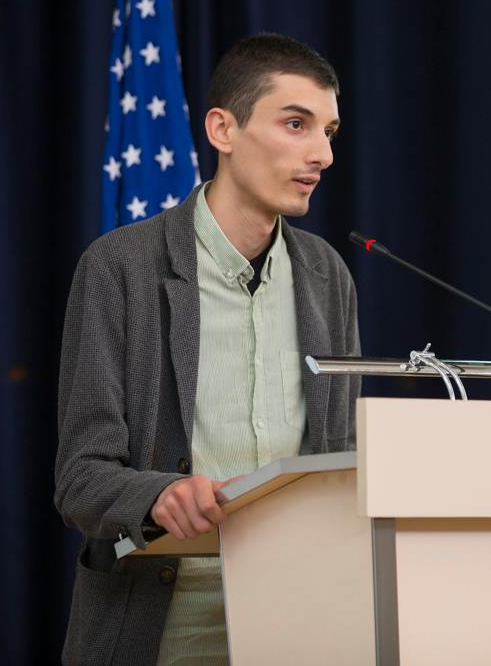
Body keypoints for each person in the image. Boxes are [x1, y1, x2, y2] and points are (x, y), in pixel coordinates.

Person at [54, 33, 361, 665]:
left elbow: (338, 461)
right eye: (296, 124)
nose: (323, 154)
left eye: (329, 131)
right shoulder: (120, 269)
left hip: (300, 630)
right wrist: (158, 495)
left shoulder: (327, 275)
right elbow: (80, 478)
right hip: (159, 634)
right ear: (223, 129)